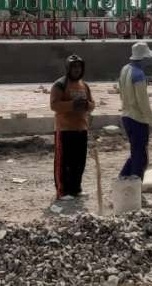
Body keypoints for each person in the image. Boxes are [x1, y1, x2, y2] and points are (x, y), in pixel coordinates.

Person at [118, 42, 152, 179]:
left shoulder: (125, 69)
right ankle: (134, 185)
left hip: (126, 116)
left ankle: (122, 179)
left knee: (136, 153)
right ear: (144, 58)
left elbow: (121, 93)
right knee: (140, 158)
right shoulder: (139, 74)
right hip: (137, 119)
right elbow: (143, 104)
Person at [50, 54, 95, 200]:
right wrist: (72, 105)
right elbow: (54, 105)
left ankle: (76, 189)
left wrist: (86, 105)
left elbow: (92, 104)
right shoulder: (60, 84)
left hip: (81, 129)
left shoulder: (84, 85)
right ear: (68, 68)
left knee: (79, 161)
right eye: (74, 67)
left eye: (79, 67)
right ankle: (63, 192)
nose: (77, 70)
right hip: (64, 130)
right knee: (64, 162)